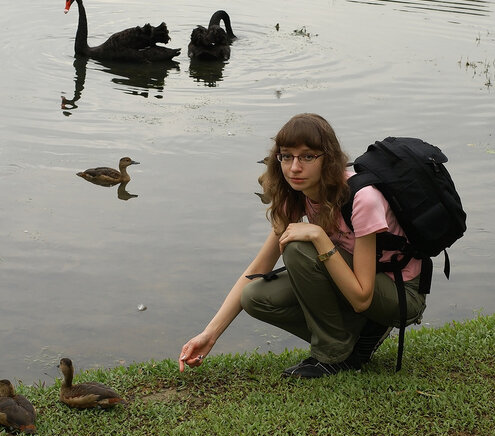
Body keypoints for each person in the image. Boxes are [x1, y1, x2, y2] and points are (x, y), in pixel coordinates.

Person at [178, 113, 427, 378]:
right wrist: (210, 334)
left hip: (398, 293)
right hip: (353, 281)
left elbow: (362, 297)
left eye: (308, 157)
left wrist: (319, 236)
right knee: (255, 297)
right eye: (287, 156)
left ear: (328, 159)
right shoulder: (295, 195)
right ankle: (358, 336)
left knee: (298, 249)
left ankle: (334, 355)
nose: (294, 167)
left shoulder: (363, 198)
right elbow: (258, 268)